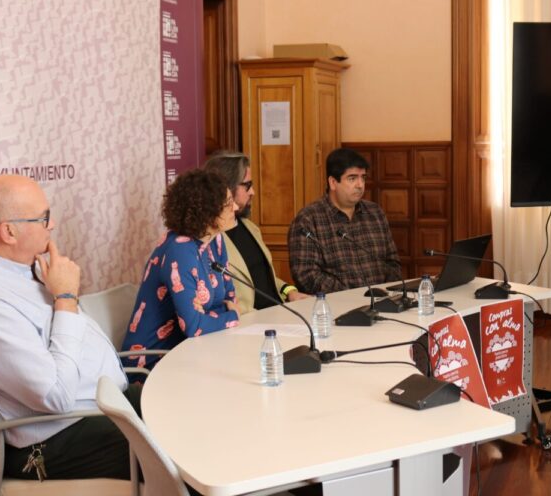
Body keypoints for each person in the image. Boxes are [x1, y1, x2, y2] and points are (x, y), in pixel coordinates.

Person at [0, 175, 135, 480]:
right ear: (8, 231)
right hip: (60, 434)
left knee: (193, 411)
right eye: (44, 217)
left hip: (104, 403)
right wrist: (66, 298)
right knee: (184, 458)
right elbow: (55, 396)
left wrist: (63, 297)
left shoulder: (21, 263)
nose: (53, 224)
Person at [121, 169, 240, 373]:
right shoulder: (179, 251)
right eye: (228, 204)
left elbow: (228, 298)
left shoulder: (215, 240)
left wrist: (213, 314)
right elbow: (194, 326)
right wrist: (232, 317)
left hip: (191, 351)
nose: (236, 207)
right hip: (153, 363)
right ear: (208, 212)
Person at [203, 151, 310, 314]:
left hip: (279, 313)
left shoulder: (249, 227)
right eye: (247, 185)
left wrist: (289, 292)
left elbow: (263, 279)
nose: (252, 192)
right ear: (226, 187)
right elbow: (214, 299)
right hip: (248, 324)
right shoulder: (208, 238)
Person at [287, 148, 401, 294]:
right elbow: (307, 275)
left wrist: (385, 294)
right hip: (335, 308)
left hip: (381, 302)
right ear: (333, 182)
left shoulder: (375, 213)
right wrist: (352, 295)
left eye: (363, 177)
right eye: (352, 178)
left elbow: (392, 263)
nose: (360, 185)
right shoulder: (308, 220)